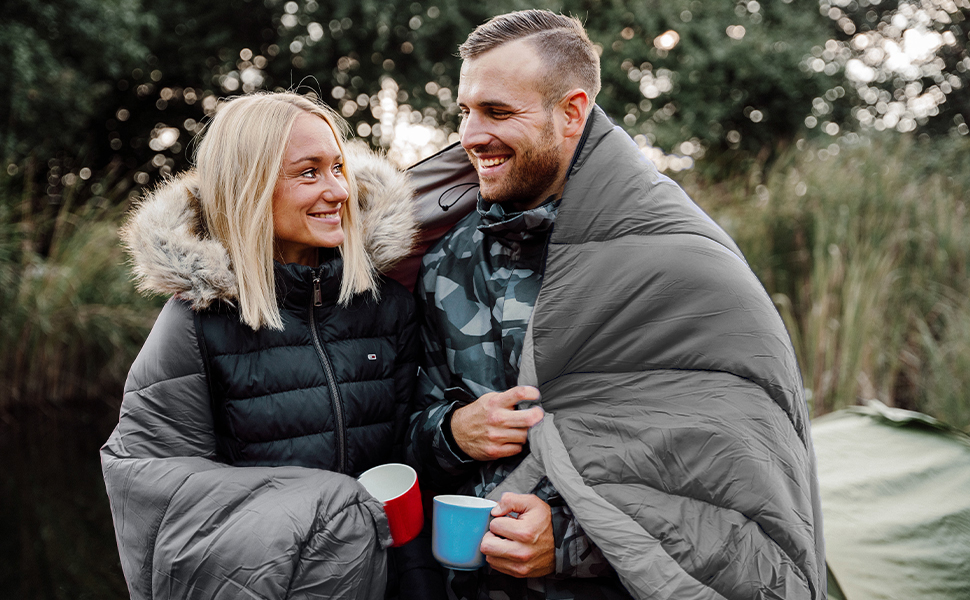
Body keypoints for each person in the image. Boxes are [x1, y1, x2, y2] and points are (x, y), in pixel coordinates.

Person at [405, 9, 827, 600]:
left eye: (498, 112)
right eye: (465, 112)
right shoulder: (446, 260)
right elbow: (402, 429)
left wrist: (575, 543)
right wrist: (453, 433)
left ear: (571, 112)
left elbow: (734, 490)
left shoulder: (682, 265)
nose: (471, 135)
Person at [101, 92, 426, 599]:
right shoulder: (194, 322)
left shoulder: (387, 307)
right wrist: (329, 509)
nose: (339, 189)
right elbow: (156, 491)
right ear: (250, 187)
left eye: (338, 166)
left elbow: (405, 456)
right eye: (309, 172)